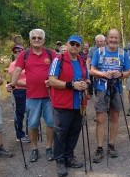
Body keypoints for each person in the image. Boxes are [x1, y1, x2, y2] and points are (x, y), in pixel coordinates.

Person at [8, 29, 56, 162]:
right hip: (32, 95)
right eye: (34, 38)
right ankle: (34, 148)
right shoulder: (25, 54)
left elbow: (59, 68)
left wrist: (53, 80)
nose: (36, 40)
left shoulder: (51, 54)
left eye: (39, 38)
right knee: (33, 124)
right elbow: (17, 70)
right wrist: (12, 84)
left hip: (49, 95)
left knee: (51, 123)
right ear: (30, 40)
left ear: (43, 40)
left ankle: (48, 147)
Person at [47, 35, 88, 177]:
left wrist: (85, 84)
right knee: (60, 133)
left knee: (74, 131)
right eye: (73, 43)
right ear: (67, 44)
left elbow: (86, 78)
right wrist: (71, 85)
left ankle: (69, 157)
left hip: (79, 103)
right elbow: (51, 80)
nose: (75, 46)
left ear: (80, 47)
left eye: (78, 45)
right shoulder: (58, 60)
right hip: (62, 103)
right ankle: (60, 161)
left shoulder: (82, 61)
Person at [90, 29, 130, 163]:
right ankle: (99, 147)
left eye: (116, 38)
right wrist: (103, 74)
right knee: (100, 118)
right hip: (102, 88)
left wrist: (121, 75)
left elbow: (128, 71)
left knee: (114, 117)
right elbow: (92, 70)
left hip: (117, 88)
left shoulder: (123, 53)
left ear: (119, 39)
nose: (113, 40)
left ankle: (111, 145)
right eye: (111, 37)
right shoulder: (99, 52)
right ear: (107, 39)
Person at [7, 44, 30, 143]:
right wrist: (27, 83)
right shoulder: (13, 64)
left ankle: (30, 132)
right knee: (20, 113)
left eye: (19, 51)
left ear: (23, 51)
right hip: (19, 90)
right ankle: (19, 135)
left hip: (30, 90)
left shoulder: (29, 62)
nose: (17, 53)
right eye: (15, 51)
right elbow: (13, 80)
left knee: (30, 111)